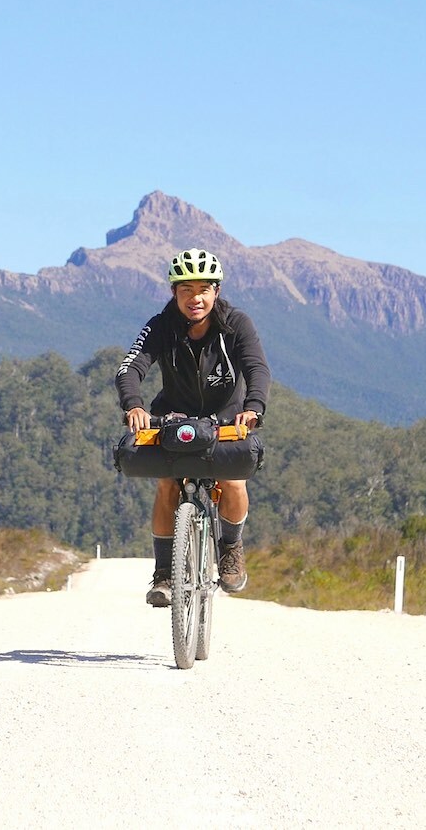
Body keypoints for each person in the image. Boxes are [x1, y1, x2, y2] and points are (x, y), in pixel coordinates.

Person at [115, 247, 271, 606]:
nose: (195, 298)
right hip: (173, 417)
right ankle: (165, 574)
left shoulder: (236, 324)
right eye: (186, 290)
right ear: (174, 293)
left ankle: (230, 547)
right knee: (167, 487)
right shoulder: (160, 325)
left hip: (227, 419)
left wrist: (253, 408)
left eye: (203, 289)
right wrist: (134, 405)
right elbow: (130, 368)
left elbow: (257, 369)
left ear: (216, 291)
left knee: (233, 482)